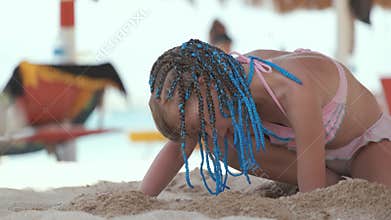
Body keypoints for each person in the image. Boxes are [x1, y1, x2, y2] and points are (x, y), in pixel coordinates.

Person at [141, 39, 391, 197]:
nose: (203, 135)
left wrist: (312, 194)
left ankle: (336, 178)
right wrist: (141, 198)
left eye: (201, 126)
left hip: (362, 144)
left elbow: (313, 196)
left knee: (381, 188)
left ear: (209, 87)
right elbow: (176, 151)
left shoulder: (290, 87)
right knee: (220, 144)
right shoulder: (221, 91)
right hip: (311, 157)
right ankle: (333, 180)